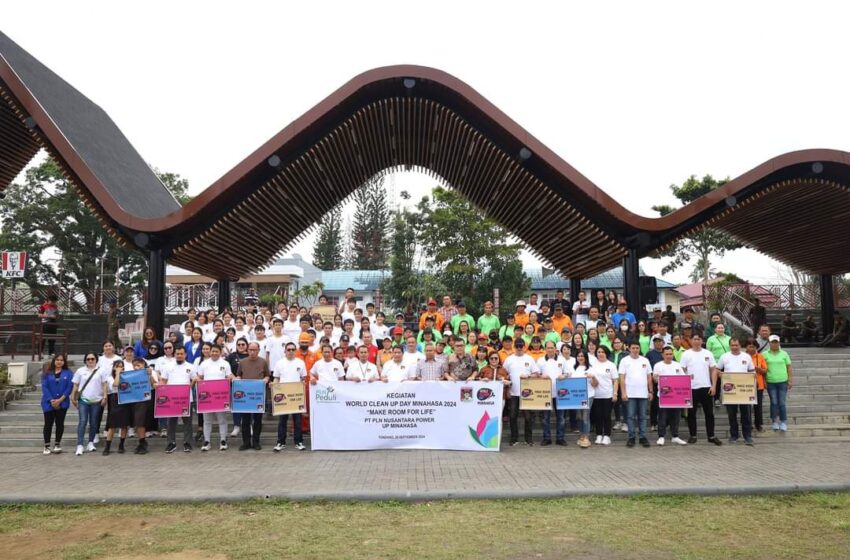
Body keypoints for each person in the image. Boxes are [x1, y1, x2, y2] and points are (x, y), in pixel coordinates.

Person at [680, 334, 723, 446]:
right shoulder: (686, 354)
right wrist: (686, 379)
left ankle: (711, 436)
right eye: (694, 339)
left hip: (706, 387)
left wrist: (713, 386)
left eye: (699, 339)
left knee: (709, 413)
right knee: (691, 413)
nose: (696, 341)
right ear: (691, 340)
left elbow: (713, 370)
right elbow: (682, 370)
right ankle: (693, 435)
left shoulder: (708, 353)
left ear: (702, 341)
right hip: (691, 388)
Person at [158, 346, 197, 453]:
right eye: (177, 354)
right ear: (174, 354)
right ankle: (171, 443)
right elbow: (163, 380)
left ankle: (187, 443)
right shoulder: (168, 366)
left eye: (181, 354)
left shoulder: (191, 366)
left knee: (187, 423)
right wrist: (159, 387)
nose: (179, 356)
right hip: (171, 399)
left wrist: (191, 384)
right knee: (171, 422)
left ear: (185, 355)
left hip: (186, 399)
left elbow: (195, 378)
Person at [718, 337, 756, 445]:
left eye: (736, 345)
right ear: (729, 346)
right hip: (730, 391)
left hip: (744, 391)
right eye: (732, 345)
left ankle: (747, 436)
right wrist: (721, 375)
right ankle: (734, 435)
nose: (734, 347)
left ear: (740, 345)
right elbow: (717, 369)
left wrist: (752, 377)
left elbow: (752, 371)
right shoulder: (724, 357)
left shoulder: (746, 356)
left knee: (746, 415)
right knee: (732, 414)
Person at [503, 338, 540, 446]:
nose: (519, 348)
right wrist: (507, 388)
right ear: (514, 347)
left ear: (524, 347)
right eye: (517, 346)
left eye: (521, 346)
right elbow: (504, 374)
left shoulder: (530, 358)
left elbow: (536, 374)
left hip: (527, 394)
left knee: (528, 417)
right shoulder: (509, 359)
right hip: (513, 393)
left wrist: (528, 375)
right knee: (512, 416)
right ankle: (514, 438)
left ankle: (528, 439)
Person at [197, 344, 233, 451]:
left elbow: (229, 376)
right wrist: (198, 380)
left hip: (220, 396)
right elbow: (200, 377)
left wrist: (230, 377)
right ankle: (207, 441)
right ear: (210, 352)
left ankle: (223, 440)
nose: (214, 353)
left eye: (216, 351)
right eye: (213, 351)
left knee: (222, 419)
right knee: (207, 420)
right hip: (206, 396)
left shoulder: (225, 363)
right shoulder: (204, 363)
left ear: (220, 352)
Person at [71, 352, 107, 456]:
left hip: (96, 400)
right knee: (82, 421)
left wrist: (105, 397)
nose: (90, 361)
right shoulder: (80, 371)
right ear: (85, 360)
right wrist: (73, 397)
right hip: (83, 400)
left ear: (96, 360)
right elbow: (76, 385)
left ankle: (91, 442)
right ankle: (80, 444)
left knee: (94, 422)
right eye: (88, 359)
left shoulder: (101, 370)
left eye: (92, 359)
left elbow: (104, 384)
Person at [273, 342, 308, 451]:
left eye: (293, 349)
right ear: (285, 351)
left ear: (295, 350)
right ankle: (280, 442)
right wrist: (274, 385)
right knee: (282, 420)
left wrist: (302, 386)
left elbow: (303, 379)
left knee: (297, 420)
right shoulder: (279, 363)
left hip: (295, 396)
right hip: (283, 396)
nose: (291, 351)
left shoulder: (300, 363)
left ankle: (299, 442)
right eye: (289, 349)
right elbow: (276, 378)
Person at [235, 341, 270, 450]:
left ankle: (256, 441)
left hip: (257, 395)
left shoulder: (263, 362)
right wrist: (238, 379)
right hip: (245, 396)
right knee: (245, 420)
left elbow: (268, 376)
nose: (252, 352)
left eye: (254, 350)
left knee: (257, 420)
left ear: (258, 351)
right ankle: (246, 442)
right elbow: (238, 375)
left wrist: (266, 379)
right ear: (247, 350)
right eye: (250, 350)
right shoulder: (242, 362)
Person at [651, 346, 689, 446]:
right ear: (662, 355)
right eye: (667, 354)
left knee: (676, 417)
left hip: (676, 397)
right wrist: (655, 378)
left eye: (670, 354)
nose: (669, 356)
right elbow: (655, 379)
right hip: (664, 396)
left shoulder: (677, 365)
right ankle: (661, 436)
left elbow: (683, 379)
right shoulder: (658, 365)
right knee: (662, 417)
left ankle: (675, 436)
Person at [537, 341, 572, 446]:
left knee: (561, 418)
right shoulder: (540, 361)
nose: (550, 350)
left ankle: (560, 438)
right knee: (545, 418)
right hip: (545, 393)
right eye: (548, 348)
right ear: (545, 349)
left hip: (560, 393)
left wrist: (564, 375)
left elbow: (569, 372)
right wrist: (540, 376)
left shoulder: (562, 360)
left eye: (552, 348)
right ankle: (546, 438)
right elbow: (535, 374)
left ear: (555, 349)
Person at [618, 342, 652, 448]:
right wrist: (623, 392)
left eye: (637, 348)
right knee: (630, 416)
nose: (635, 350)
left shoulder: (645, 360)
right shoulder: (624, 360)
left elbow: (649, 377)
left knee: (642, 417)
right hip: (630, 393)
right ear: (629, 348)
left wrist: (650, 391)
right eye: (633, 348)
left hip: (643, 393)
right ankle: (631, 437)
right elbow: (621, 378)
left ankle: (643, 437)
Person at [41, 353, 74, 454]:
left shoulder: (68, 373)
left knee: (60, 424)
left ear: (64, 362)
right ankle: (46, 446)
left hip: (62, 402)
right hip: (48, 402)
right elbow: (44, 387)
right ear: (54, 361)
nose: (59, 362)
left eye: (61, 360)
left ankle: (57, 444)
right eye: (57, 360)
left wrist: (60, 400)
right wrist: (51, 400)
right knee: (48, 424)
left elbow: (69, 387)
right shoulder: (47, 373)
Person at [763, 334, 793, 431]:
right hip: (771, 381)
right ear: (769, 343)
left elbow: (789, 367)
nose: (774, 344)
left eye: (776, 342)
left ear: (779, 343)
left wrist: (790, 379)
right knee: (774, 402)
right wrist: (764, 381)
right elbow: (763, 369)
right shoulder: (764, 354)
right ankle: (775, 421)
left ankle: (783, 421)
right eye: (772, 342)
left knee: (782, 403)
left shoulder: (784, 354)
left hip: (782, 381)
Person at [590, 346, 618, 446]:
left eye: (602, 352)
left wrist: (615, 394)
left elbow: (615, 381)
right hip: (596, 395)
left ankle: (607, 435)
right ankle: (598, 435)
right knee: (598, 416)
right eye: (598, 352)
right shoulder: (593, 365)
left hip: (608, 395)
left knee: (606, 416)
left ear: (606, 353)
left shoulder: (611, 365)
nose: (600, 353)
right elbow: (592, 381)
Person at [102, 360, 131, 455]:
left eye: (121, 366)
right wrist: (118, 374)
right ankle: (107, 446)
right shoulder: (110, 377)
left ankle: (121, 445)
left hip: (125, 399)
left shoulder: (126, 376)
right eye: (117, 366)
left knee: (124, 425)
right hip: (115, 399)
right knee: (112, 425)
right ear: (114, 367)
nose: (120, 368)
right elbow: (115, 384)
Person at [745, 337, 768, 433]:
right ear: (746, 347)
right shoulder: (742, 356)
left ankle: (758, 424)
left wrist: (759, 369)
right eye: (749, 346)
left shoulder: (760, 357)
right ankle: (748, 424)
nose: (752, 348)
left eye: (753, 346)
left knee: (758, 406)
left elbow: (765, 370)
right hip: (746, 385)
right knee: (747, 406)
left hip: (759, 385)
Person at [706, 323, 731, 406]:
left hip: (727, 363)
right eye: (718, 328)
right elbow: (708, 352)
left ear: (724, 329)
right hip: (716, 364)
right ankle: (716, 399)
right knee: (717, 381)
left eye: (722, 328)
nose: (720, 329)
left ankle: (728, 397)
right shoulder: (711, 339)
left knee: (728, 380)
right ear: (715, 329)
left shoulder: (729, 338)